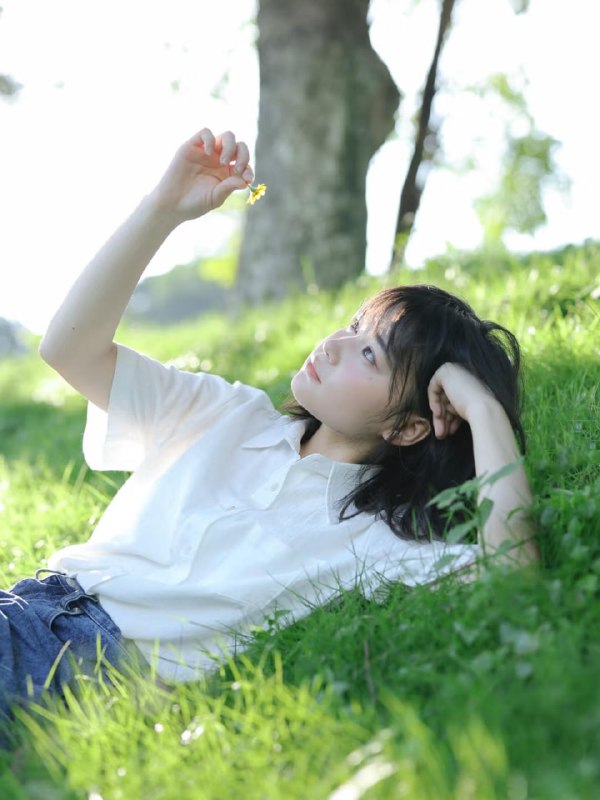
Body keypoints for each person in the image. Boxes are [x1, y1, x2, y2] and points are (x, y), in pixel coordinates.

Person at [0, 128, 537, 722]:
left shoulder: (372, 544)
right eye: (352, 327)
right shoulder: (225, 412)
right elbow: (69, 350)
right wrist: (163, 209)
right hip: (23, 604)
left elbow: (514, 573)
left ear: (410, 428)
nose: (333, 345)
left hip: (87, 666)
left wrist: (482, 409)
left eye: (369, 354)